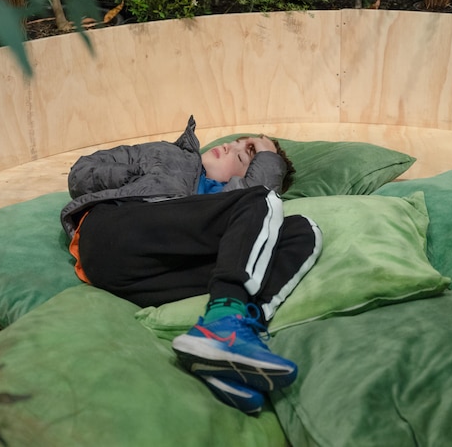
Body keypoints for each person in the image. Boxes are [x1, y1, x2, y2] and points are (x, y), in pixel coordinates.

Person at [60, 115, 322, 414]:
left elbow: (260, 195)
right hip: (115, 234)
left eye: (242, 153)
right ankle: (224, 325)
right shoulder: (167, 155)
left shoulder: (235, 203)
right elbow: (81, 173)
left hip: (149, 278)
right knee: (259, 202)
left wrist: (267, 156)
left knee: (302, 230)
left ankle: (228, 349)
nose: (228, 145)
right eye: (234, 143)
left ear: (251, 172)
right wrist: (139, 175)